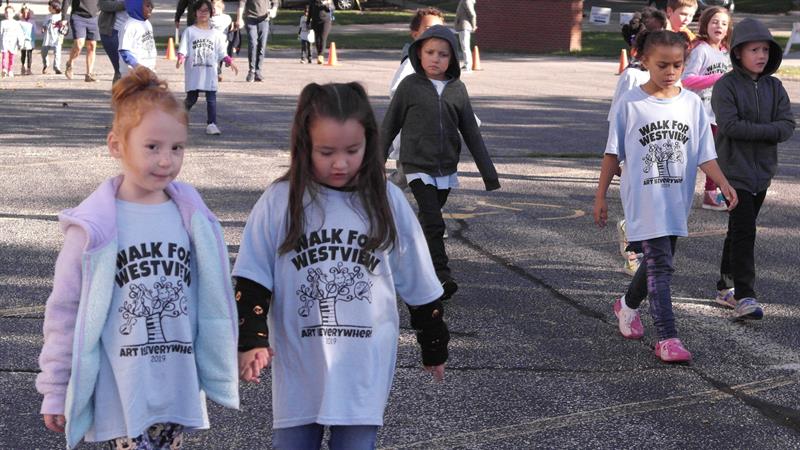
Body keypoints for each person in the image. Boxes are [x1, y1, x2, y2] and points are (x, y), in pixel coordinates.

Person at [233, 82, 448, 449]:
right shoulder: (281, 200)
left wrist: (433, 342)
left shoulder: (386, 200)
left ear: (370, 142)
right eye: (326, 151)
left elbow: (419, 279)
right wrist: (251, 338)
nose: (340, 162)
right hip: (300, 364)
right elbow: (253, 277)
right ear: (304, 145)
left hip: (362, 364)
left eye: (353, 150)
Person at [35, 66, 239, 450]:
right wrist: (56, 388)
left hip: (176, 385)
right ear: (116, 145)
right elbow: (65, 312)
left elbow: (213, 297)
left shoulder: (192, 217)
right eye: (152, 147)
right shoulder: (93, 228)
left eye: (176, 148)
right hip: (122, 390)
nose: (166, 160)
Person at [594, 30, 738, 363]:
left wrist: (724, 183)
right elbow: (611, 155)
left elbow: (705, 153)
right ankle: (668, 337)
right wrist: (600, 196)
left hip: (676, 199)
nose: (670, 71)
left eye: (677, 64)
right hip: (644, 200)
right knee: (661, 266)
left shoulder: (690, 104)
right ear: (643, 61)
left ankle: (626, 306)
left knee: (660, 261)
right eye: (662, 64)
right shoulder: (630, 104)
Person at [381, 25, 501, 301]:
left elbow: (471, 131)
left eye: (443, 54)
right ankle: (441, 275)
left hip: (445, 168)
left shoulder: (457, 89)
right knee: (435, 222)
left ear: (453, 58)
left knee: (427, 223)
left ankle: (407, 266)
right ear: (418, 54)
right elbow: (389, 126)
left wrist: (489, 174)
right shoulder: (409, 87)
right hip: (416, 165)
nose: (436, 59)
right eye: (430, 52)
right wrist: (376, 161)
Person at [710, 18, 796, 318]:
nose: (761, 55)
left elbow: (787, 126)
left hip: (762, 173)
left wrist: (765, 130)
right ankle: (746, 296)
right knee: (746, 230)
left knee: (738, 230)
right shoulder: (726, 86)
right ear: (737, 53)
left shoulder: (775, 86)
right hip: (734, 173)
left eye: (765, 50)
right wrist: (767, 130)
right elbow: (730, 126)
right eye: (754, 50)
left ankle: (725, 285)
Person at [609, 6, 667, 277]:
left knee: (655, 207)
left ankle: (641, 244)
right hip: (634, 153)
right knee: (638, 205)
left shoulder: (667, 75)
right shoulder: (632, 75)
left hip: (659, 149)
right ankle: (633, 252)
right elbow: (616, 119)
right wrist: (617, 156)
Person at [386, 7, 446, 190]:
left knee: (429, 180)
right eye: (428, 29)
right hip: (413, 138)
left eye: (440, 29)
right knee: (404, 178)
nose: (435, 34)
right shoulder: (413, 62)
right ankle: (376, 197)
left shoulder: (443, 63)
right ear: (415, 34)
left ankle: (426, 214)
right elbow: (397, 91)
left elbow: (452, 95)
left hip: (434, 138)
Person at [682, 6, 732, 211]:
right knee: (692, 156)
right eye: (714, 22)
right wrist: (717, 78)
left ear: (728, 29)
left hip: (718, 113)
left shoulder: (726, 53)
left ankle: (711, 195)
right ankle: (676, 189)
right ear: (705, 25)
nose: (718, 26)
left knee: (716, 155)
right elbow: (687, 79)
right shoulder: (701, 49)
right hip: (700, 113)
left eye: (723, 23)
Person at [177, 0, 238, 136]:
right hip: (194, 71)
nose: (203, 13)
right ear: (195, 13)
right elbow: (183, 49)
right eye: (200, 10)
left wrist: (229, 61)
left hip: (210, 71)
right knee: (192, 98)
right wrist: (180, 58)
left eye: (206, 11)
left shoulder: (215, 34)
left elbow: (222, 52)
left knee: (211, 98)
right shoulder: (189, 31)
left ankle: (212, 124)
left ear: (211, 13)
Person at [61, 0, 101, 81]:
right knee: (79, 44)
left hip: (93, 18)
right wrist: (64, 17)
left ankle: (89, 74)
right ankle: (70, 63)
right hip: (78, 17)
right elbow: (66, 1)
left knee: (92, 46)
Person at [236, 0, 275, 81]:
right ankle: (251, 71)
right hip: (250, 18)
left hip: (264, 19)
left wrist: (274, 10)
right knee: (253, 43)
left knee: (262, 46)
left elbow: (275, 2)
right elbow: (242, 3)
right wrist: (239, 18)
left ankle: (258, 72)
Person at [118, 0, 156, 76]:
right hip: (133, 73)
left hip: (148, 69)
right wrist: (136, 65)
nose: (151, 8)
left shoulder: (147, 23)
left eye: (151, 6)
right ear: (136, 7)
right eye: (147, 6)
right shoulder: (129, 26)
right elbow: (124, 51)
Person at [98, 0, 126, 83]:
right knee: (119, 69)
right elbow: (103, 4)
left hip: (133, 30)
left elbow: (148, 5)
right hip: (112, 31)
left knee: (132, 68)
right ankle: (118, 94)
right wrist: (127, 4)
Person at [41, 0, 65, 74]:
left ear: (55, 8)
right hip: (47, 37)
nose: (49, 8)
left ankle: (56, 67)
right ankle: (46, 65)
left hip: (57, 37)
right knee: (44, 52)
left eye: (50, 7)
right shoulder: (48, 16)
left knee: (57, 53)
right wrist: (43, 28)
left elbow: (64, 26)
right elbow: (44, 24)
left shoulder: (61, 16)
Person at [209, 0, 231, 81]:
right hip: (212, 42)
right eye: (211, 9)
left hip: (222, 41)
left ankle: (218, 71)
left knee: (220, 58)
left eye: (214, 9)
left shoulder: (225, 18)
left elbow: (215, 23)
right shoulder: (210, 18)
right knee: (215, 58)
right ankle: (217, 73)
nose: (212, 10)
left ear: (220, 8)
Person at [0, 5, 22, 78]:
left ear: (13, 13)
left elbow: (19, 33)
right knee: (4, 57)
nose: (8, 14)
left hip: (13, 43)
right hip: (4, 42)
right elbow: (0, 32)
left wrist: (20, 42)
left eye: (10, 12)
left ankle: (10, 70)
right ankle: (4, 69)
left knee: (11, 58)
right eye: (6, 12)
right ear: (4, 13)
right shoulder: (3, 22)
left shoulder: (16, 23)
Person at [454, 0, 476, 72]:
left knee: (465, 47)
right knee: (464, 47)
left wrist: (474, 26)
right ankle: (466, 64)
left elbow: (472, 14)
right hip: (462, 26)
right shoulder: (463, 1)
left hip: (465, 26)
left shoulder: (467, 1)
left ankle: (468, 66)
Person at [307, 0, 332, 65]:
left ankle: (321, 56)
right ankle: (319, 55)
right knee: (317, 39)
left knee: (323, 38)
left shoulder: (327, 1)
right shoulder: (312, 1)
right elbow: (310, 12)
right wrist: (308, 22)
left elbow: (331, 9)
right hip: (315, 22)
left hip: (325, 22)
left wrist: (326, 4)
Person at [17, 4, 35, 76]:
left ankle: (29, 69)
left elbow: (35, 31)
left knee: (30, 55)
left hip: (30, 41)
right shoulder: (19, 22)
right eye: (24, 13)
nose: (26, 14)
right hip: (23, 41)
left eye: (28, 13)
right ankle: (22, 67)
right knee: (23, 54)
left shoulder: (32, 22)